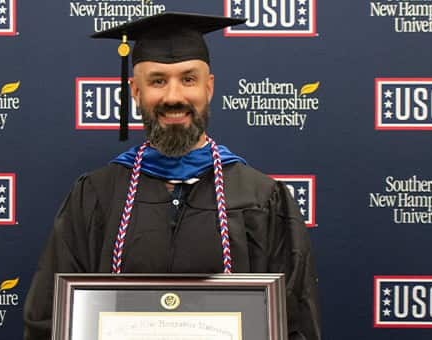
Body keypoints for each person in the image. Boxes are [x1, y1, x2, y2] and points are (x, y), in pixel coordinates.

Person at [23, 12, 321, 340]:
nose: (173, 97)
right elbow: (50, 320)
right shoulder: (95, 196)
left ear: (209, 88)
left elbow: (295, 323)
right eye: (158, 81)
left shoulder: (263, 199)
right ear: (135, 91)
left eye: (188, 79)